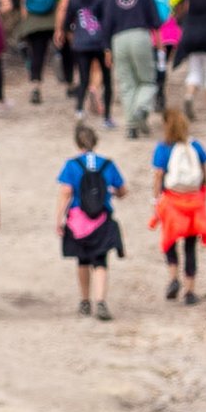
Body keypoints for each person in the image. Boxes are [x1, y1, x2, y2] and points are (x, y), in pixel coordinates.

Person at [57, 120, 125, 321]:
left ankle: (85, 301)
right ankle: (101, 301)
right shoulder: (107, 164)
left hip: (78, 220)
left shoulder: (71, 165)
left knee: (83, 260)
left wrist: (59, 218)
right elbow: (122, 190)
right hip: (102, 218)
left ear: (77, 143)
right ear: (95, 141)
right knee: (101, 261)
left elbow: (66, 193)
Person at [149, 108, 206, 305]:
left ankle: (173, 277)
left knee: (169, 240)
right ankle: (190, 290)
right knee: (190, 246)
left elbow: (158, 175)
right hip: (193, 201)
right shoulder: (195, 145)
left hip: (172, 201)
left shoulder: (163, 148)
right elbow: (205, 172)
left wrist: (155, 200)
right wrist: (204, 195)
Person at [104, 0, 161, 139]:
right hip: (140, 36)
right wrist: (159, 43)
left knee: (127, 84)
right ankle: (140, 108)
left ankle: (131, 126)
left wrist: (107, 49)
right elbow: (155, 20)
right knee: (147, 80)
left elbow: (107, 24)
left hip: (118, 40)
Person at [58, 0, 112, 120]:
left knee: (83, 78)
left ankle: (80, 110)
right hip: (99, 43)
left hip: (81, 43)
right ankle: (107, 117)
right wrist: (108, 45)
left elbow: (67, 21)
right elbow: (108, 21)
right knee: (107, 79)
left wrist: (68, 34)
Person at [17, 0, 62, 104]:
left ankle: (36, 86)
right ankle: (70, 81)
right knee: (63, 48)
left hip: (34, 19)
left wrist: (25, 22)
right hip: (53, 17)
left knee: (37, 53)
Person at [145, 0, 184, 112]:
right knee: (162, 62)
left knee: (152, 62)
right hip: (168, 30)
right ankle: (160, 90)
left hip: (150, 30)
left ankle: (155, 89)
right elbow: (178, 7)